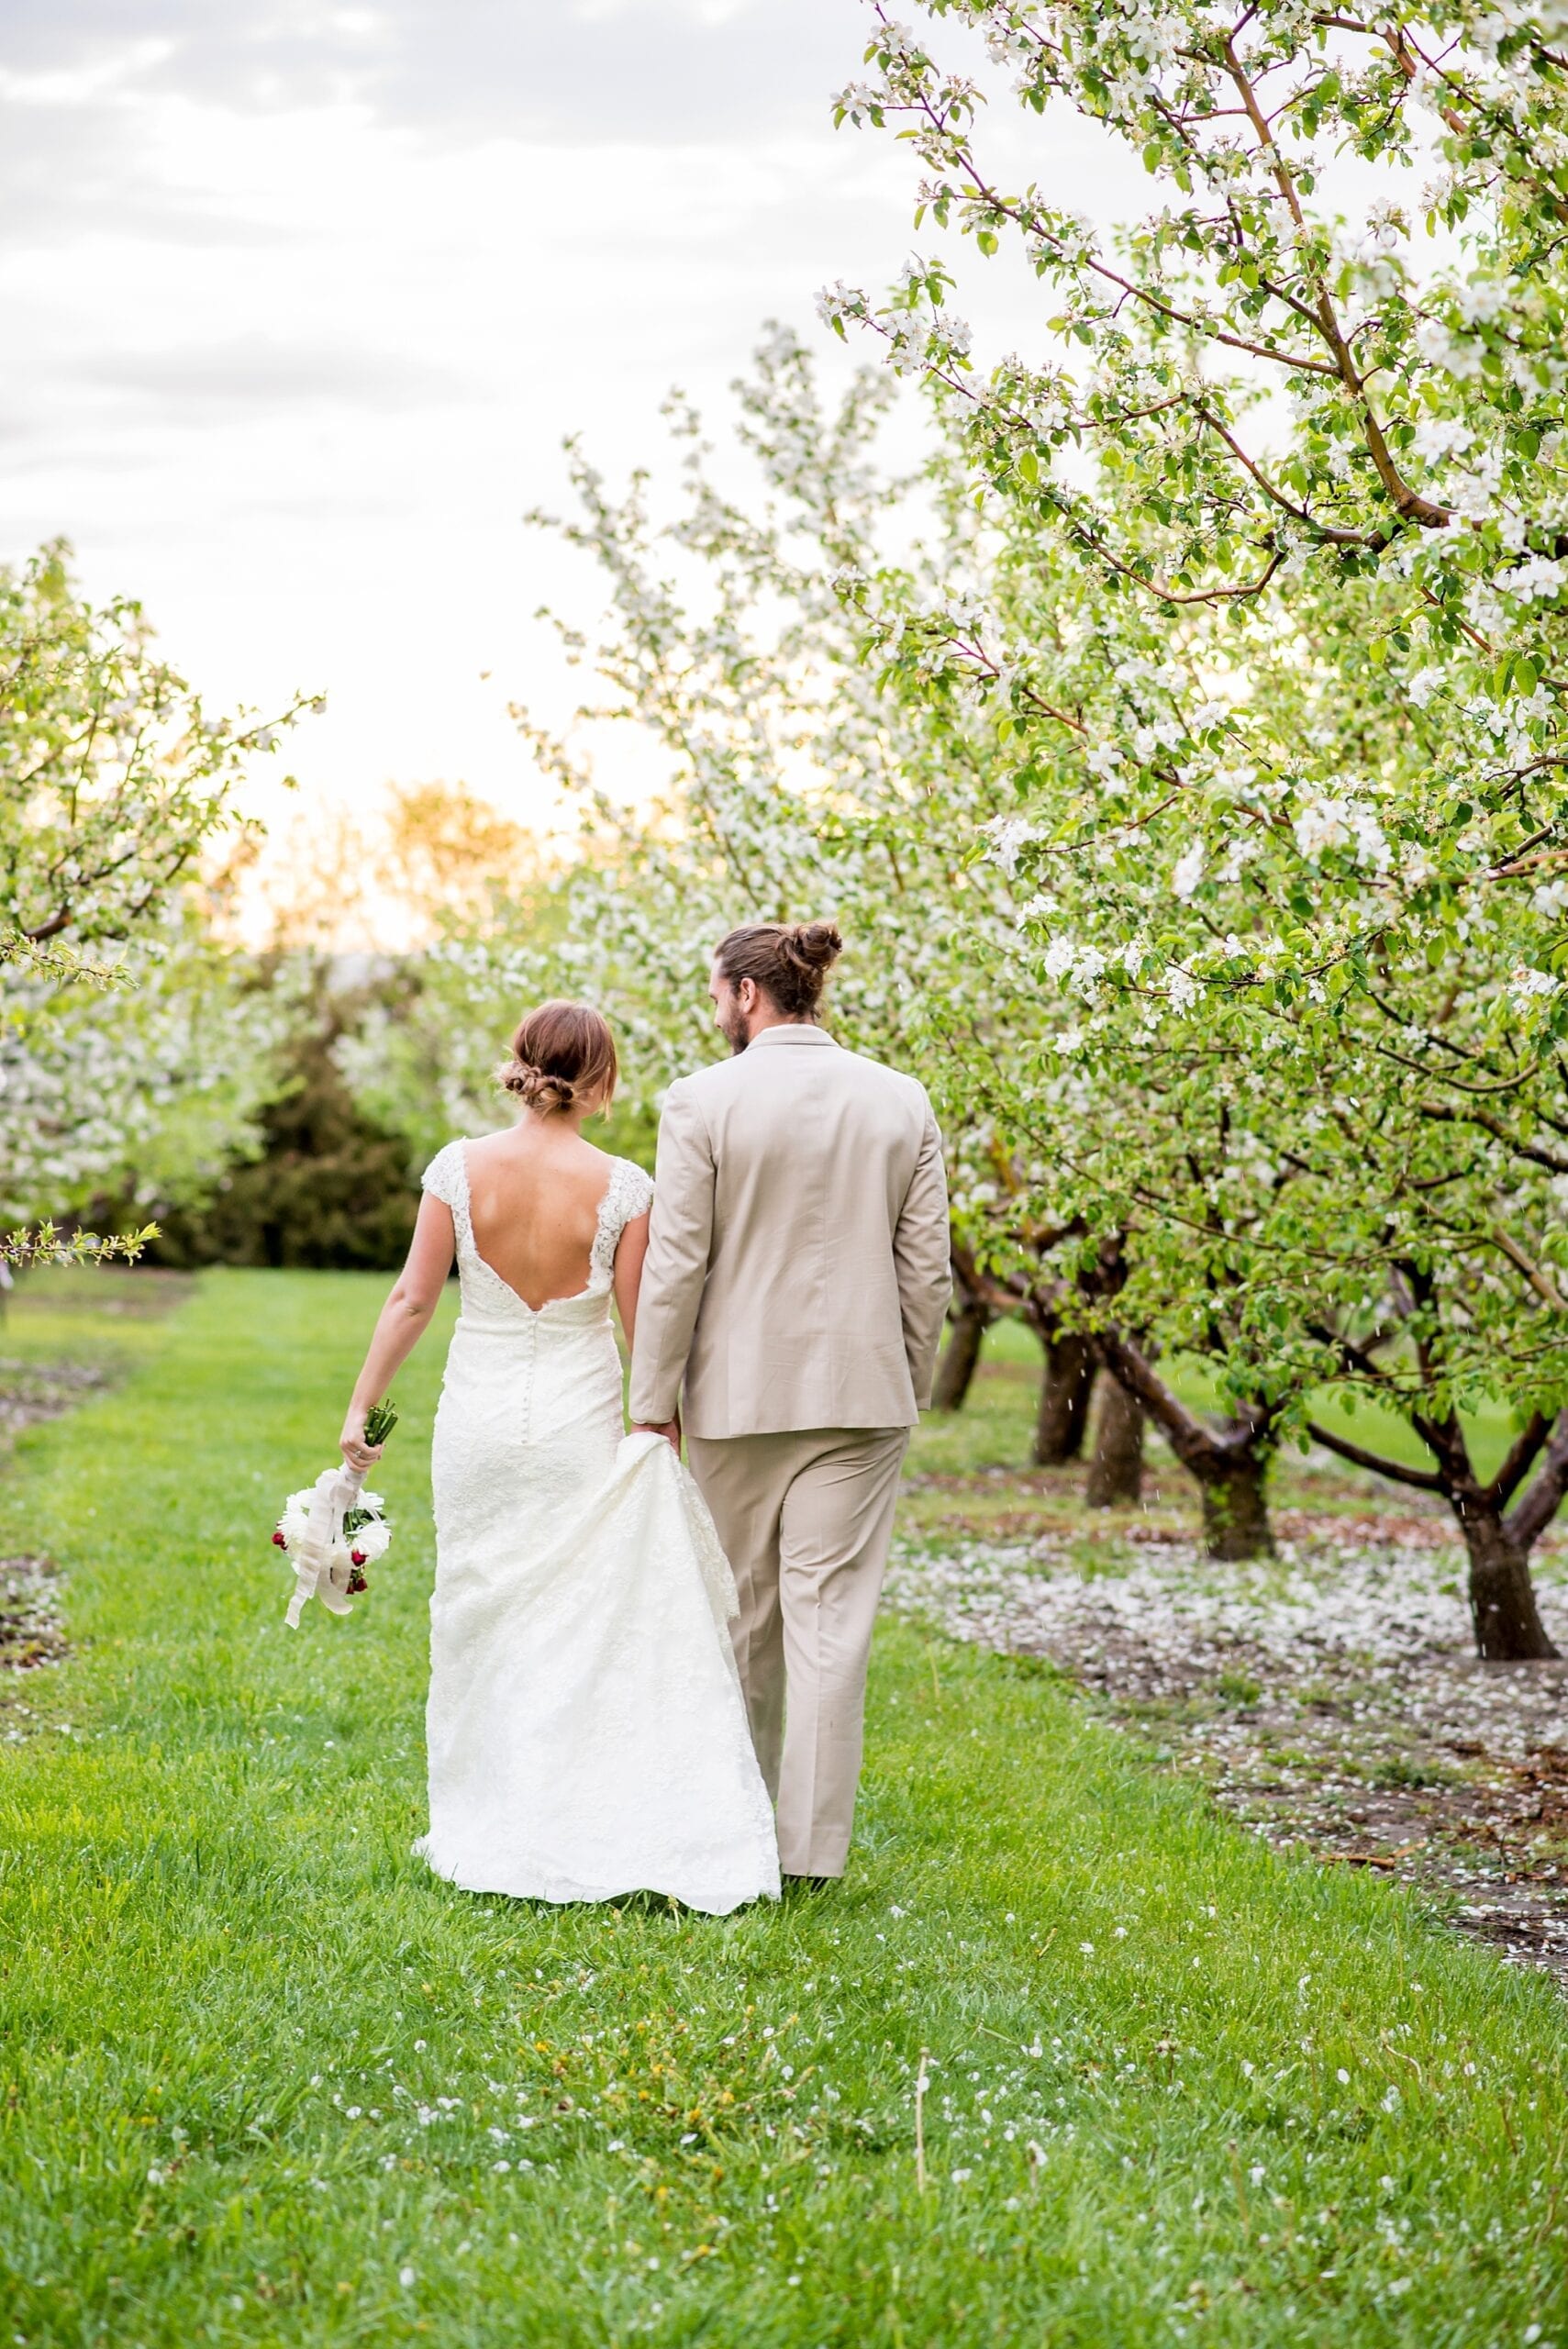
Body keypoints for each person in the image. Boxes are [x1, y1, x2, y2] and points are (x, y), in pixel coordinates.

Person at [338, 1000, 778, 1915]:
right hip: (575, 1425)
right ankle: (551, 1808)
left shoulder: (458, 1170)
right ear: (602, 1080)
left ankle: (482, 1812)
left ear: (519, 1064)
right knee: (565, 1620)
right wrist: (660, 1428)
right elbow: (638, 1324)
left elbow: (411, 1303)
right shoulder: (622, 1187)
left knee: (473, 1606)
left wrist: (362, 1413)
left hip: (479, 1427)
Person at [629, 921, 951, 1884]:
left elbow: (678, 1263)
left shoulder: (699, 1101)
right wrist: (907, 1377)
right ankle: (808, 1856)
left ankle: (727, 1832)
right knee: (830, 1627)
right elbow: (924, 1269)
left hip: (734, 1396)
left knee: (738, 1615)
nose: (712, 1008)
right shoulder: (900, 1100)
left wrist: (651, 1399)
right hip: (862, 1398)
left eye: (713, 991)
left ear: (745, 995)